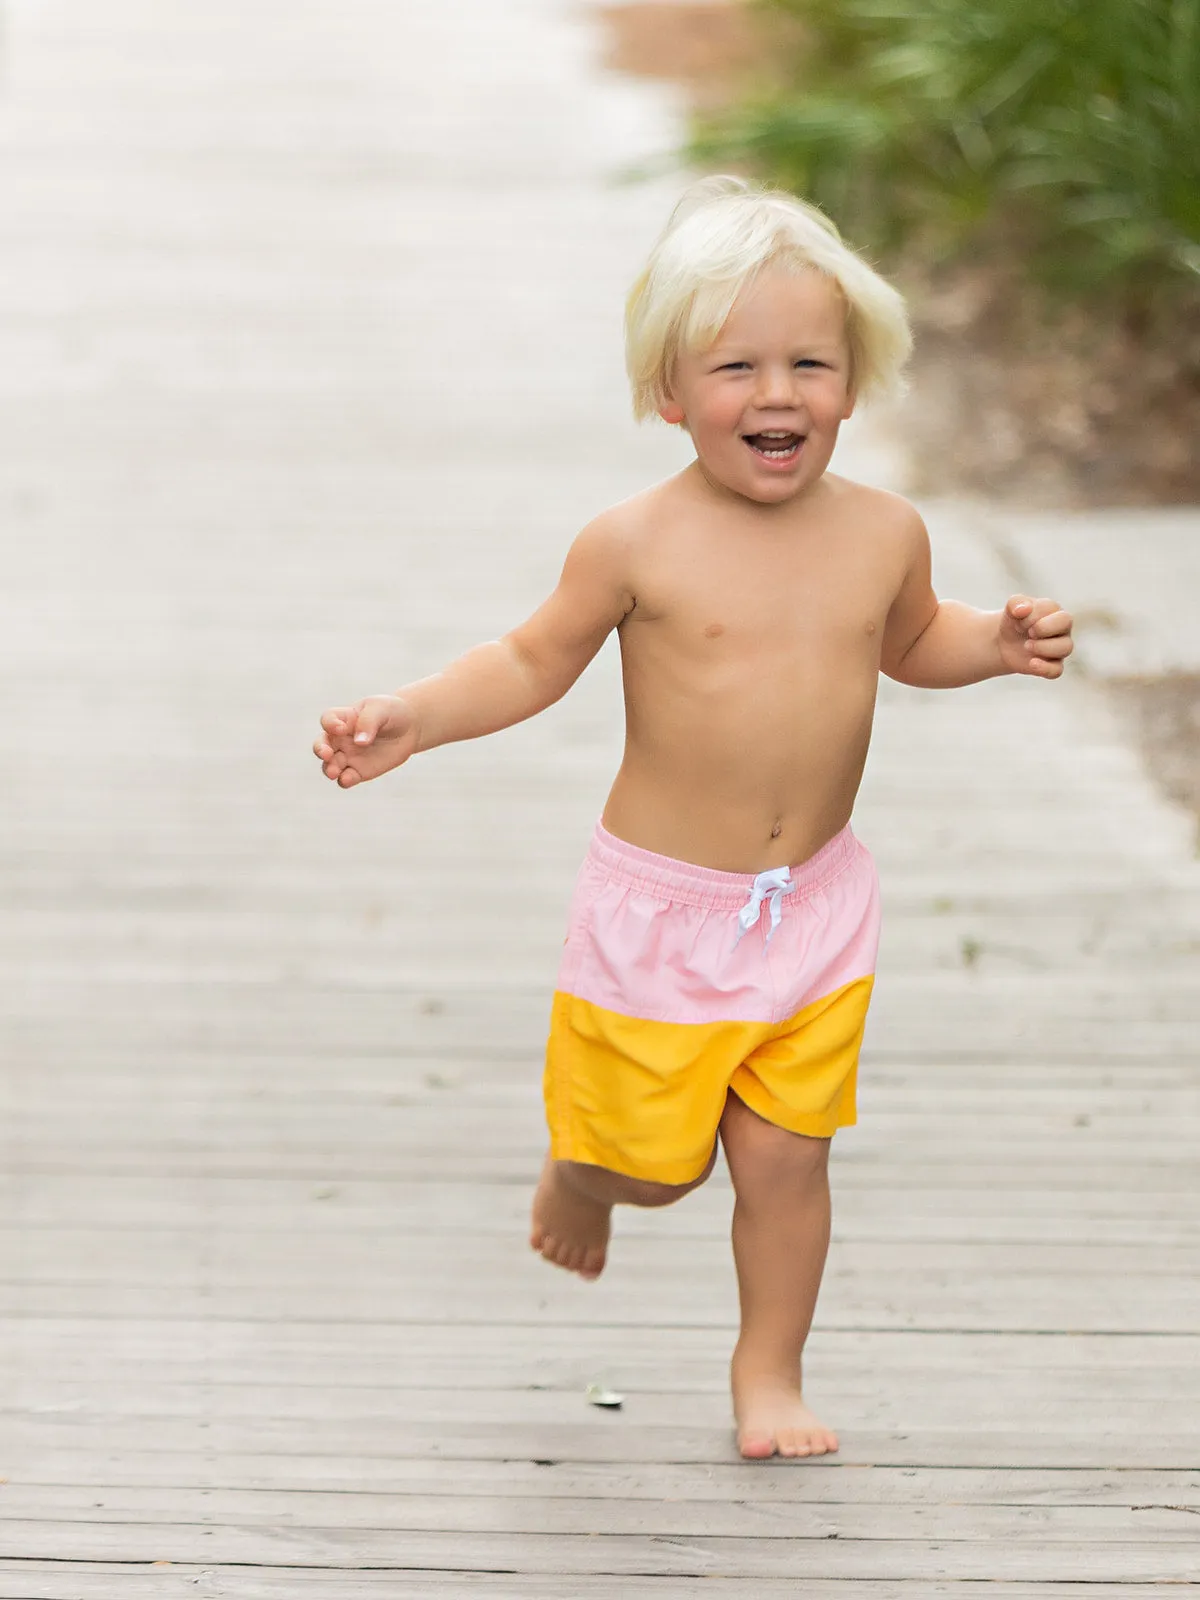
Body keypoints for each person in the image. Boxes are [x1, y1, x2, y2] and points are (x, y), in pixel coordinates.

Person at [313, 177, 1074, 1461]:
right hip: (662, 917)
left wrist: (992, 642)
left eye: (809, 364)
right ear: (670, 391)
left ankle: (767, 1370)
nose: (776, 394)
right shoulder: (636, 544)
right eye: (736, 367)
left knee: (785, 1157)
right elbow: (529, 659)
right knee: (659, 1166)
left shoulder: (885, 533)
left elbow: (913, 642)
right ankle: (582, 1172)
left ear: (854, 379)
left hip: (815, 908)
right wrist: (416, 715)